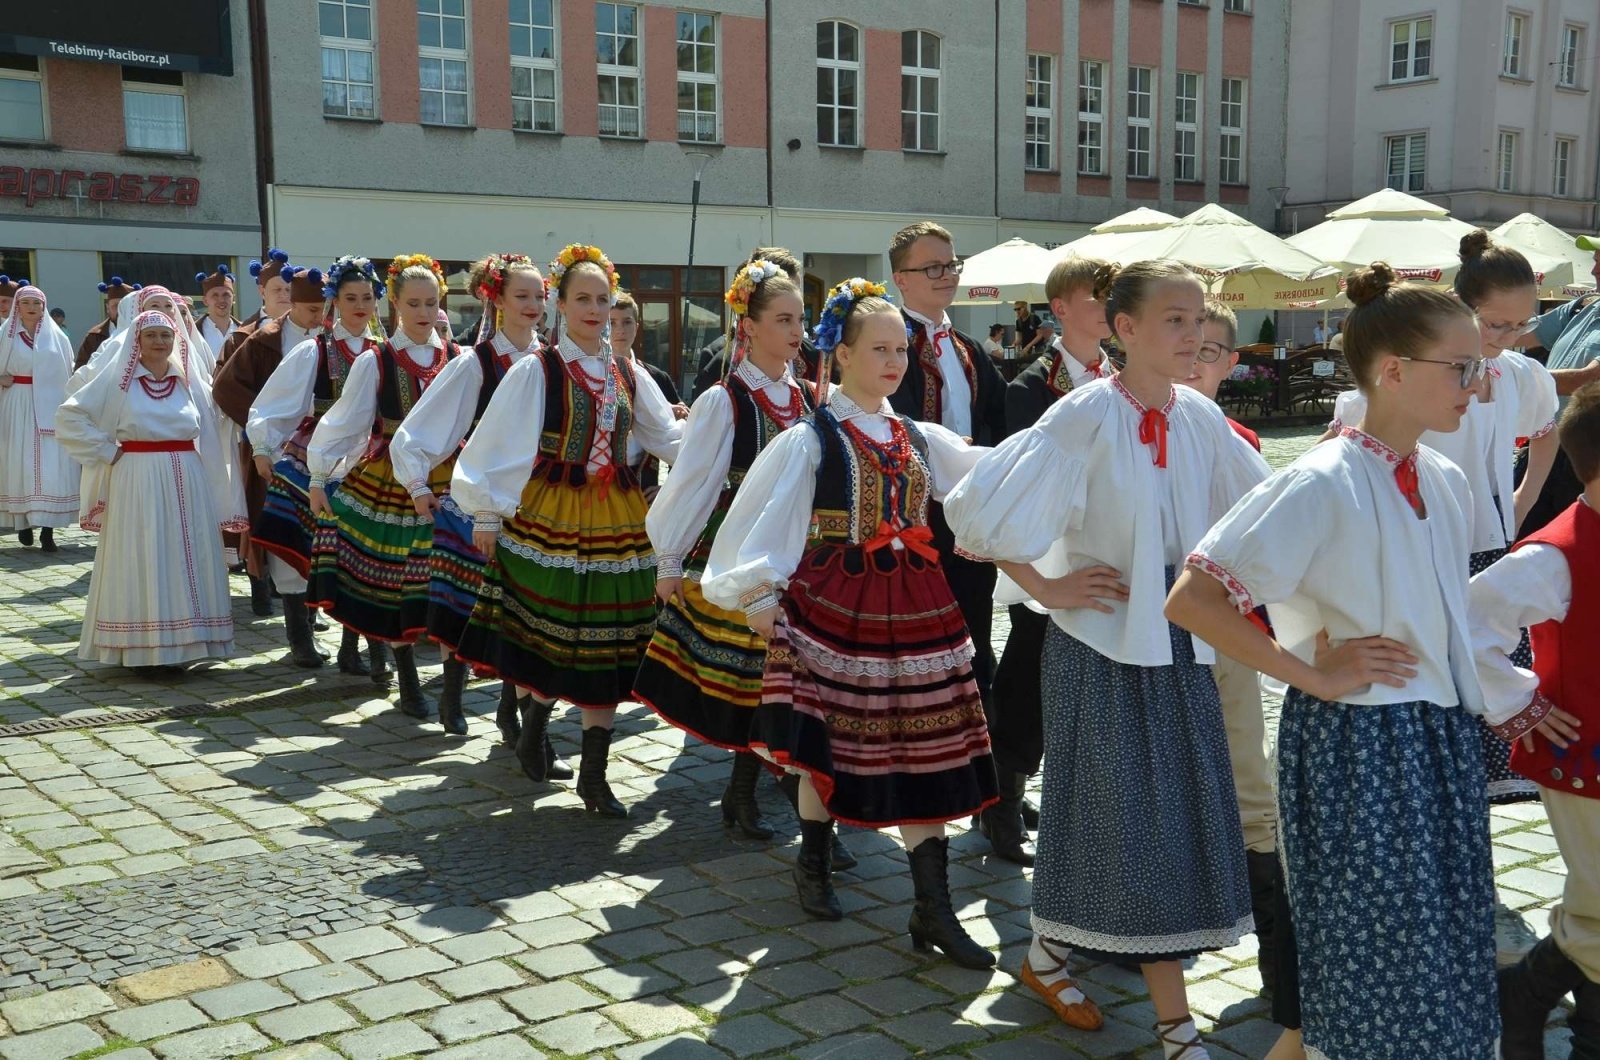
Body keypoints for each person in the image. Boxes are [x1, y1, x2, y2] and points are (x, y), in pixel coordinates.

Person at [1167, 263, 1514, 1060]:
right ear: (1393, 372)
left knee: (1443, 952)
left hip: (1437, 740)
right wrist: (1315, 674)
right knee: (1374, 967)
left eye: (1481, 367)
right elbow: (1193, 599)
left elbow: (1442, 615)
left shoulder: (1445, 476)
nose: (1478, 384)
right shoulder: (1321, 479)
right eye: (1462, 368)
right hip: (1360, 747)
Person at [946, 260, 1269, 1055]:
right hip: (1100, 644)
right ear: (1123, 330)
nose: (1195, 335)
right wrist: (1047, 586)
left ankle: (1047, 953)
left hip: (1181, 639)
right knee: (1120, 817)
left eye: (1199, 320)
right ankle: (1174, 1026)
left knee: (1154, 818)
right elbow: (975, 511)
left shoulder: (1198, 417)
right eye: (1176, 320)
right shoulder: (1084, 414)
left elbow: (1262, 511)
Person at [701, 278, 998, 968]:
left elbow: (987, 476)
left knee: (930, 749)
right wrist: (758, 595)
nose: (895, 361)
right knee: (829, 746)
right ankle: (813, 861)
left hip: (920, 606)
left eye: (902, 348)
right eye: (881, 348)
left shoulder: (917, 434)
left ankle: (933, 907)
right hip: (837, 609)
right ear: (841, 354)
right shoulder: (811, 439)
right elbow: (761, 520)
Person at [1324, 230, 1559, 805]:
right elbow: (1349, 446)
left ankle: (1479, 807)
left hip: (1489, 540)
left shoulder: (1520, 374)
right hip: (1419, 545)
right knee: (1434, 676)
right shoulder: (1411, 376)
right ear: (1462, 308)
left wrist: (1523, 496)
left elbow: (1545, 431)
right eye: (1497, 325)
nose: (1510, 338)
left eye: (1521, 325)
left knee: (1488, 670)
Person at [451, 244, 684, 816]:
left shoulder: (629, 372)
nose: (595, 309)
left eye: (603, 299)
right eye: (582, 298)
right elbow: (500, 442)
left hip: (619, 518)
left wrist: (718, 447)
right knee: (548, 633)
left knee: (611, 642)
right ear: (560, 303)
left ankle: (594, 775)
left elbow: (666, 439)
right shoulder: (539, 369)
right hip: (550, 511)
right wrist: (486, 511)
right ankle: (532, 722)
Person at [634, 259, 815, 845]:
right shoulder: (725, 399)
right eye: (783, 319)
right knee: (751, 680)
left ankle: (745, 795)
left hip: (792, 552)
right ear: (750, 326)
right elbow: (693, 481)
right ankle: (754, 797)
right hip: (736, 550)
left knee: (778, 681)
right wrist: (668, 561)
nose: (796, 332)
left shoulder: (809, 395)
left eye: (801, 320)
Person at [1473, 382, 1600, 1060]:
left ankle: (1524, 997)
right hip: (1585, 759)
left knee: (1597, 910)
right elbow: (1466, 624)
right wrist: (1520, 702)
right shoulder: (1553, 554)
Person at [387, 252, 561, 744]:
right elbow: (422, 427)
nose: (533, 304)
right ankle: (452, 696)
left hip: (537, 501)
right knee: (471, 603)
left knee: (523, 608)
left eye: (539, 296)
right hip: (479, 499)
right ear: (497, 299)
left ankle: (513, 714)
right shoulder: (475, 363)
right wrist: (418, 483)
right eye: (521, 295)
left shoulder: (552, 359)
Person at [981, 255, 1112, 867]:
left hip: (1112, 549)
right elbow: (1031, 484)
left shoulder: (1124, 376)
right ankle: (1001, 799)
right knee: (1028, 671)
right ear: (1060, 308)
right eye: (1096, 298)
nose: (1109, 309)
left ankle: (1038, 792)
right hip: (1057, 554)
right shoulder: (1031, 385)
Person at [1180, 299, 1284, 992]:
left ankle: (1282, 966)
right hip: (1143, 642)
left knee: (1253, 790)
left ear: (1232, 362)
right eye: (1186, 346)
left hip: (1225, 640)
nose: (1196, 362)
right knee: (1157, 788)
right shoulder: (1126, 426)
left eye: (1212, 350)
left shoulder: (1239, 442)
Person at [888, 221, 1008, 818]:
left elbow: (999, 422)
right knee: (917, 658)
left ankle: (984, 791)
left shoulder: (969, 350)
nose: (947, 276)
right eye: (932, 267)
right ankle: (916, 778)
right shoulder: (888, 345)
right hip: (912, 525)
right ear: (900, 279)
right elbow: (898, 424)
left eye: (952, 265)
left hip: (969, 521)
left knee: (976, 647)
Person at [307, 254, 459, 720]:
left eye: (431, 303)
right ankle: (408, 681)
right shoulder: (377, 360)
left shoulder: (458, 359)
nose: (422, 312)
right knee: (397, 584)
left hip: (449, 482)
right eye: (413, 303)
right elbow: (343, 423)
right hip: (391, 481)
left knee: (450, 583)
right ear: (393, 303)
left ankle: (452, 691)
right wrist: (318, 475)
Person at [56, 310, 244, 672]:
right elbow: (69, 416)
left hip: (188, 478)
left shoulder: (188, 380)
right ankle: (144, 645)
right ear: (136, 341)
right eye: (151, 335)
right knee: (144, 551)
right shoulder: (117, 381)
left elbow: (219, 418)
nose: (160, 342)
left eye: (166, 335)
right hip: (136, 477)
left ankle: (189, 642)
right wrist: (107, 451)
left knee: (188, 555)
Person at [248, 256, 387, 677]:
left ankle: (354, 647)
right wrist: (262, 446)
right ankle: (300, 637)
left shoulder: (386, 352)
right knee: (300, 548)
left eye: (367, 297)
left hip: (368, 461)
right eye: (350, 298)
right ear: (335, 301)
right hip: (316, 457)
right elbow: (275, 402)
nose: (359, 305)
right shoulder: (317, 349)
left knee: (361, 555)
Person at [212, 260, 330, 617]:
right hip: (273, 449)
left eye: (323, 310)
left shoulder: (328, 339)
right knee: (275, 521)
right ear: (293, 303)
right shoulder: (263, 340)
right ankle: (273, 600)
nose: (318, 317)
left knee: (315, 529)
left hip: (320, 449)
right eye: (311, 310)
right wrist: (265, 425)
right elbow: (225, 387)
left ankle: (309, 615)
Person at [1520, 234, 1600, 535]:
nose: (1594, 271)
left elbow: (1586, 381)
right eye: (1595, 262)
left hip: (1586, 457)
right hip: (1546, 443)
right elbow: (1518, 331)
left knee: (1567, 546)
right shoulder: (1586, 304)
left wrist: (1513, 377)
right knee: (1521, 537)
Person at [0, 286, 78, 550]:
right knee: (20, 461)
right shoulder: (4, 335)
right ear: (17, 307)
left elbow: (69, 372)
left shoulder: (58, 338)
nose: (32, 307)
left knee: (49, 465)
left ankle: (48, 529)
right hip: (17, 401)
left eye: (37, 302)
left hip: (49, 404)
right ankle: (22, 523)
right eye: (26, 302)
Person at [692, 247, 825, 398]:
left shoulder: (813, 356)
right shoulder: (721, 364)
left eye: (795, 289)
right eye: (784, 319)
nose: (792, 297)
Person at [609, 289, 686, 501]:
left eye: (627, 322)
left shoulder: (656, 377)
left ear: (637, 326)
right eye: (612, 323)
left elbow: (677, 437)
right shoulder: (593, 373)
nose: (620, 330)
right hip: (602, 486)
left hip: (645, 488)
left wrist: (670, 487)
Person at [73, 276, 139, 371]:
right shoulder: (95, 336)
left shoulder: (144, 332)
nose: (120, 310)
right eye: (116, 305)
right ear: (107, 308)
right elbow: (81, 371)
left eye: (124, 305)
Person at [195, 265, 239, 360]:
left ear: (233, 299)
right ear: (205, 300)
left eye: (226, 295)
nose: (221, 300)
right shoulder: (194, 332)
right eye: (215, 295)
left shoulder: (244, 331)